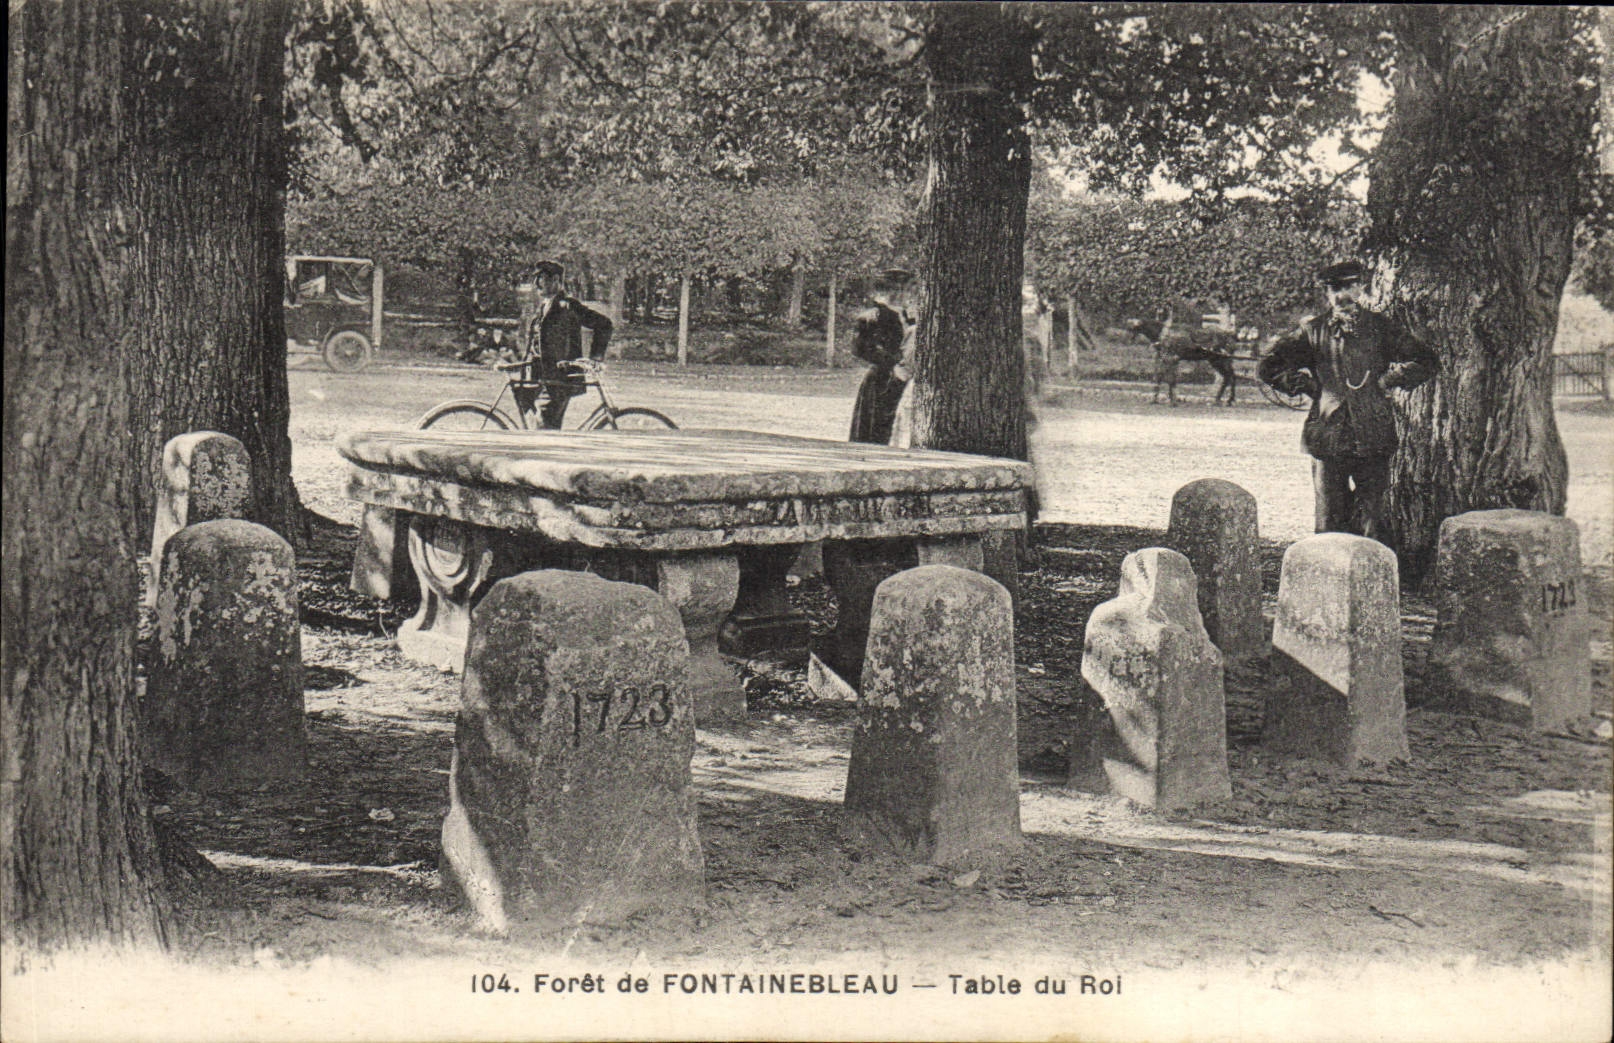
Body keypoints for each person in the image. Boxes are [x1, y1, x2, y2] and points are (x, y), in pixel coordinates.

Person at [1258, 259, 1439, 542]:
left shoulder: (1381, 328)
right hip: (1328, 436)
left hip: (1373, 435)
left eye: (1347, 287)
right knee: (1328, 521)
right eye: (1333, 290)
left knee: (1373, 522)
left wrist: (1389, 380)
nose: (1340, 296)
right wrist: (1306, 385)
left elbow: (1426, 360)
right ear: (1326, 294)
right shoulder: (1312, 331)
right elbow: (1269, 365)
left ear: (1359, 288)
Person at [511, 260, 614, 429]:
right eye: (535, 278)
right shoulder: (543, 307)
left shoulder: (568, 306)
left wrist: (596, 357)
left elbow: (604, 324)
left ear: (556, 280)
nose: (537, 283)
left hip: (559, 379)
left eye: (542, 278)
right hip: (537, 379)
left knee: (545, 428)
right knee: (535, 426)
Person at [848, 268, 917, 445]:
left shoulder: (908, 317)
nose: (905, 294)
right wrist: (892, 364)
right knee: (875, 430)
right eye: (902, 289)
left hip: (903, 379)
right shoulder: (873, 317)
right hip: (881, 380)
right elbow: (860, 348)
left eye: (908, 289)